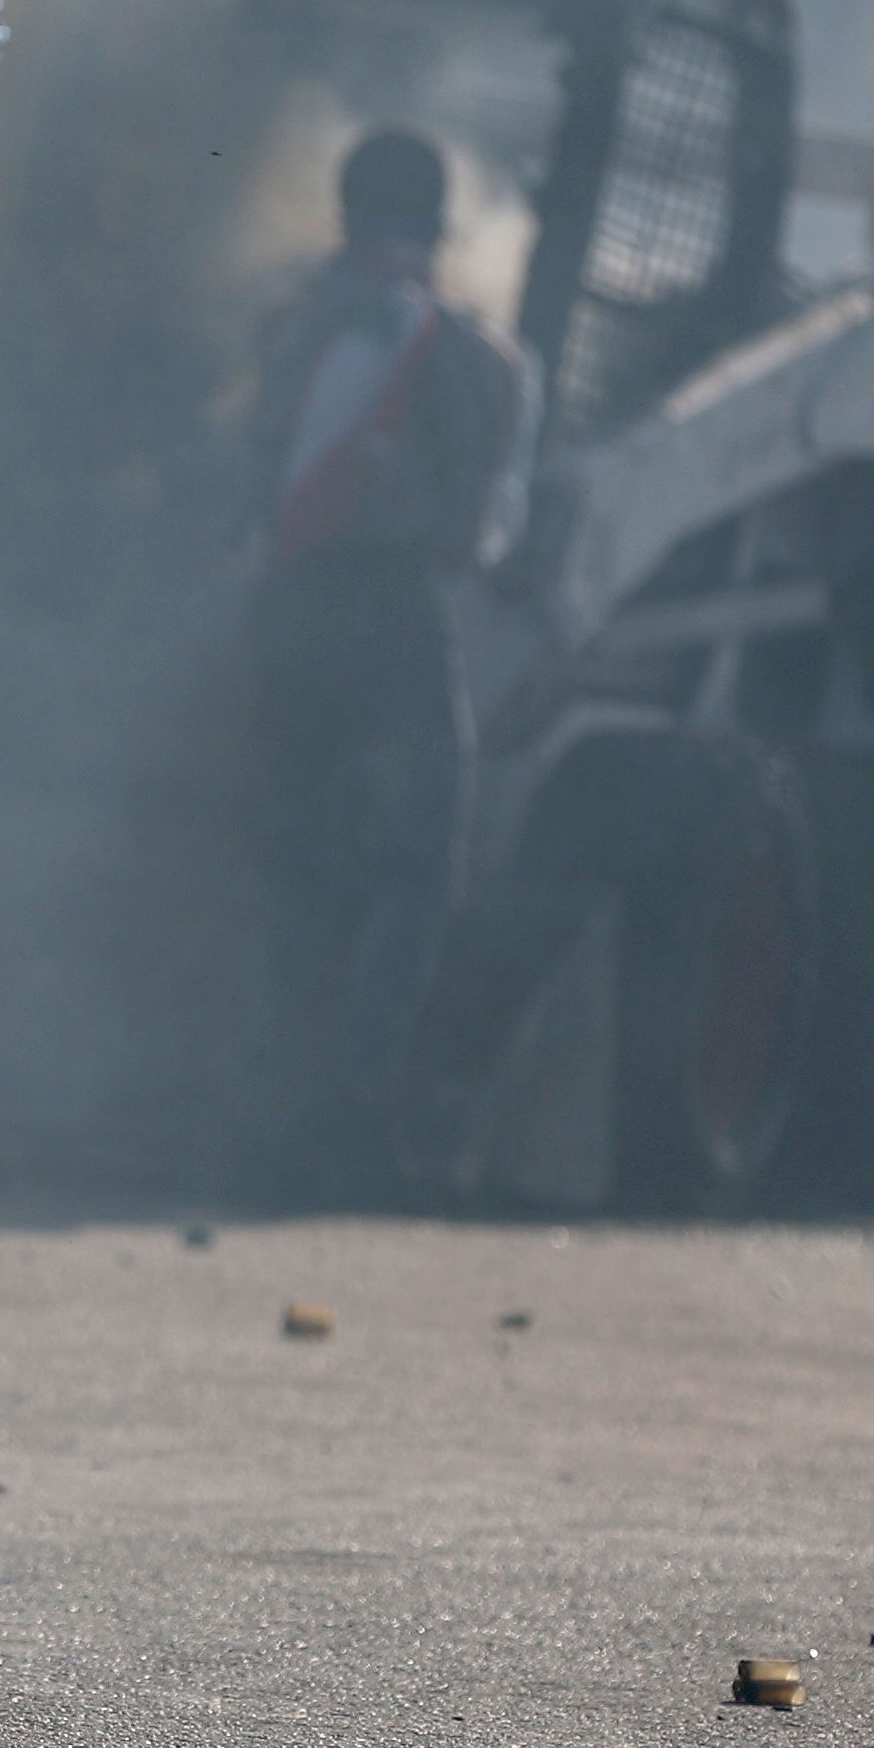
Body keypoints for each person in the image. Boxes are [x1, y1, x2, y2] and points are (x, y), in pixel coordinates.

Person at [245, 125, 530, 1198]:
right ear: (439, 225)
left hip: (282, 618)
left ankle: (261, 1102)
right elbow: (471, 529)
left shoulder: (293, 319)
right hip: (387, 620)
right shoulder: (460, 348)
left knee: (290, 867)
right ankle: (349, 1107)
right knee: (414, 864)